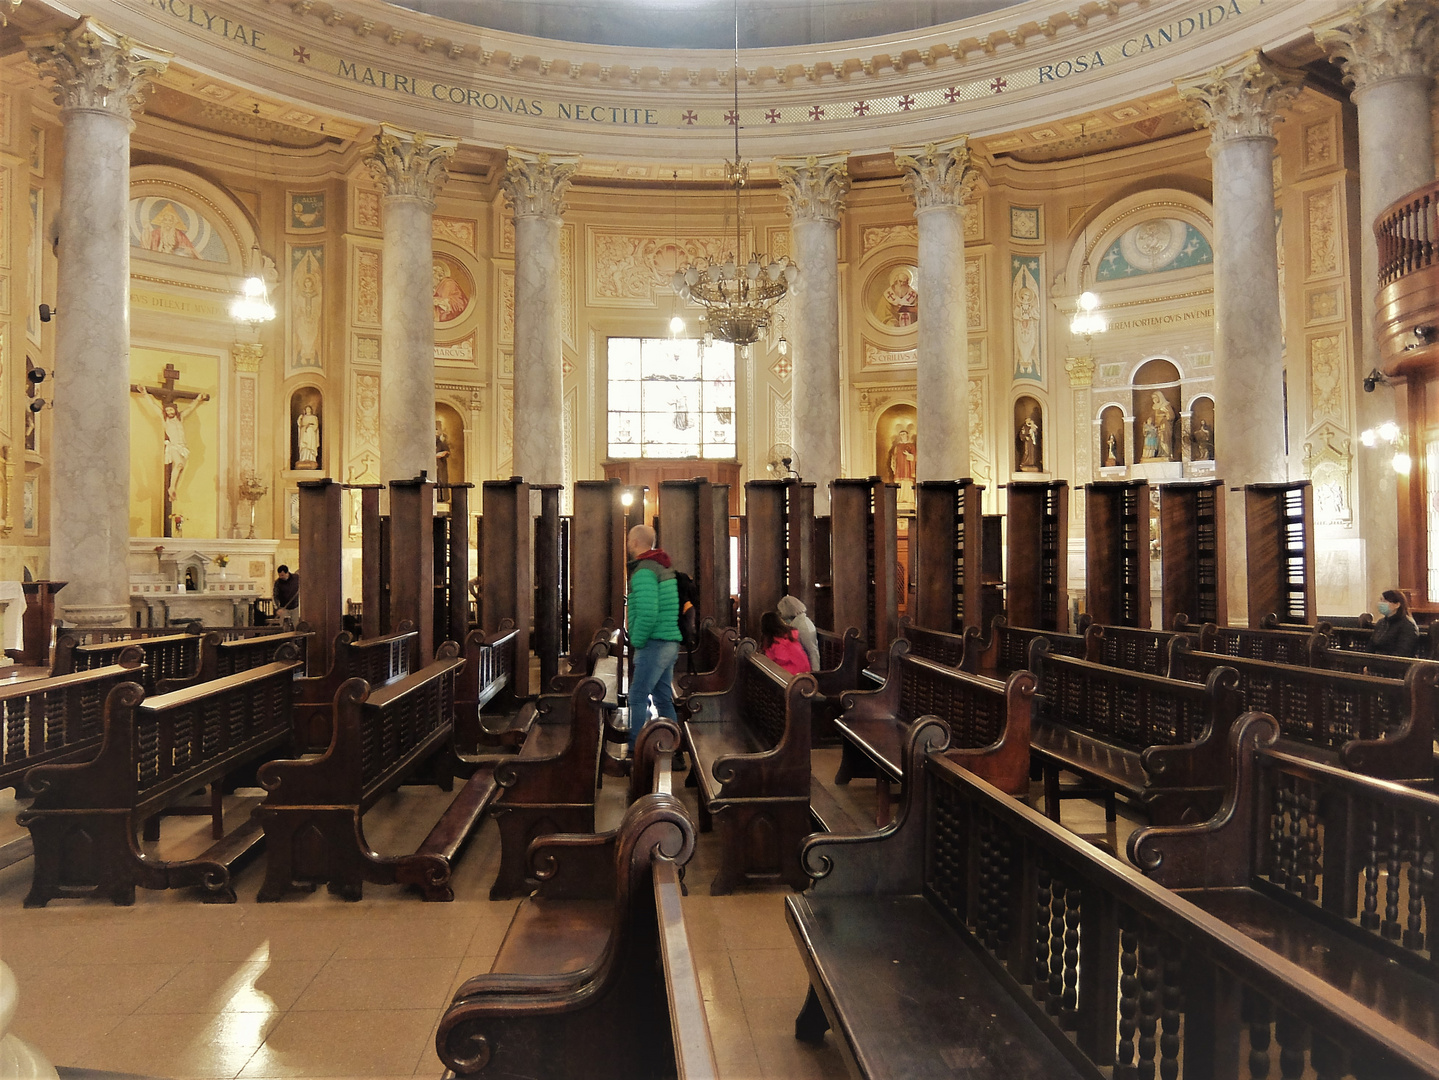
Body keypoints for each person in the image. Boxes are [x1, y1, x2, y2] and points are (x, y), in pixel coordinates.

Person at [625, 524, 683, 755]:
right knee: (662, 698)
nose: (628, 544)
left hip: (655, 642)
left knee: (638, 697)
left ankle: (636, 752)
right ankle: (675, 750)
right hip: (667, 641)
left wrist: (637, 639)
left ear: (636, 542)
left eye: (630, 540)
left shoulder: (645, 570)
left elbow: (648, 611)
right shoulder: (661, 565)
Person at [1370, 588, 1419, 657]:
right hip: (1378, 661)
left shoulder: (1408, 625)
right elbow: (1371, 645)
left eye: (1385, 601)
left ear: (1397, 605)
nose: (1381, 603)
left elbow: (1403, 652)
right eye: (1381, 600)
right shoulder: (1381, 623)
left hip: (1396, 664)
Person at [776, 594, 820, 671]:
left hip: (805, 668)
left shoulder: (803, 625)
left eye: (781, 611)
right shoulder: (797, 622)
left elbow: (812, 651)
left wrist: (814, 674)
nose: (780, 614)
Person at [760, 610, 811, 676]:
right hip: (803, 669)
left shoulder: (778, 640)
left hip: (795, 673)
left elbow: (782, 658)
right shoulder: (787, 635)